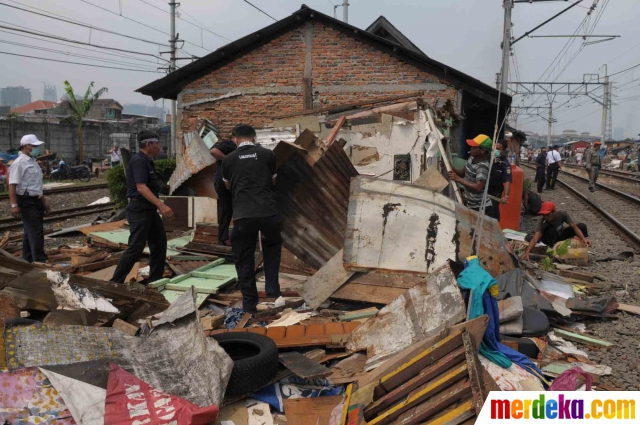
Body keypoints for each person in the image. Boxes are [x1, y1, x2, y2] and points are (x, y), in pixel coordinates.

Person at [222, 125, 281, 314]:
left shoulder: (228, 160)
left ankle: (250, 305)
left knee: (243, 259)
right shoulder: (268, 155)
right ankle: (272, 289)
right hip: (268, 213)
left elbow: (228, 186)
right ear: (254, 138)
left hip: (243, 215)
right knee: (272, 247)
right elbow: (273, 182)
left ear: (234, 139)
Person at [111, 130, 174, 284]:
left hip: (149, 210)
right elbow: (141, 187)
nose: (159, 146)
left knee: (159, 243)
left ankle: (155, 280)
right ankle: (115, 282)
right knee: (135, 248)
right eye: (156, 143)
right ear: (148, 144)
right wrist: (161, 205)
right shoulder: (139, 160)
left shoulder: (147, 160)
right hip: (140, 209)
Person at [8, 135, 51, 263]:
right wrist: (14, 205)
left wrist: (44, 202)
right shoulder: (19, 163)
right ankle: (40, 261)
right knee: (36, 232)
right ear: (27, 146)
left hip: (36, 200)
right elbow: (12, 185)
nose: (37, 148)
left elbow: (36, 186)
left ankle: (27, 259)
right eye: (35, 146)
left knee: (30, 232)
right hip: (26, 201)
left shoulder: (33, 161)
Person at [521, 202, 590, 261]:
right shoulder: (543, 221)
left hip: (560, 235)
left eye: (547, 215)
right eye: (543, 215)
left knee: (582, 226)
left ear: (554, 212)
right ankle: (554, 252)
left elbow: (574, 227)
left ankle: (583, 246)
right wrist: (527, 252)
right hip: (549, 239)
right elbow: (535, 238)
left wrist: (583, 238)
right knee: (549, 231)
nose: (545, 217)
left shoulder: (562, 214)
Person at [446, 134, 494, 216]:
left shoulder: (482, 166)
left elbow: (478, 188)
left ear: (482, 150)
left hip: (480, 207)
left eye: (474, 147)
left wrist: (458, 179)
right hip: (470, 203)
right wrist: (451, 167)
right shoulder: (471, 158)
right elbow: (462, 173)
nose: (471, 149)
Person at [210, 137, 237, 246]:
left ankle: (229, 237)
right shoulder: (229, 144)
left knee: (230, 209)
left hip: (231, 180)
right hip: (223, 181)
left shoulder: (240, 148)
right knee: (226, 209)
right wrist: (227, 159)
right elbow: (213, 151)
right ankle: (223, 238)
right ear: (234, 137)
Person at [486, 139, 512, 221]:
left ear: (503, 150)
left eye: (498, 149)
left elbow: (507, 181)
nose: (495, 151)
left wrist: (506, 196)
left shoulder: (505, 163)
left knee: (493, 213)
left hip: (495, 193)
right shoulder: (487, 158)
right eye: (495, 149)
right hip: (482, 190)